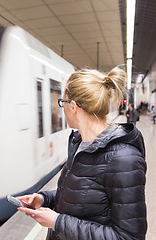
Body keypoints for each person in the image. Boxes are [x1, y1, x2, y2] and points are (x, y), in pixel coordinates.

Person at [17, 67, 147, 239]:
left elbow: (129, 236)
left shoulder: (124, 160)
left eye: (62, 103)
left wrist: (57, 222)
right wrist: (43, 199)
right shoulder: (80, 144)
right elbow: (81, 194)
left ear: (73, 106)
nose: (62, 109)